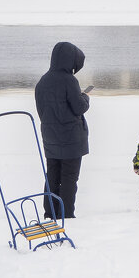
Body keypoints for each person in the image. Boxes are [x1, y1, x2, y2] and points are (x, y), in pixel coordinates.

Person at [34, 41, 91, 219]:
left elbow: (42, 111)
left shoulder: (42, 81)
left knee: (51, 177)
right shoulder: (69, 80)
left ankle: (50, 213)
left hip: (50, 138)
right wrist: (85, 97)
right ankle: (66, 215)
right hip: (71, 141)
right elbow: (79, 108)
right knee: (69, 179)